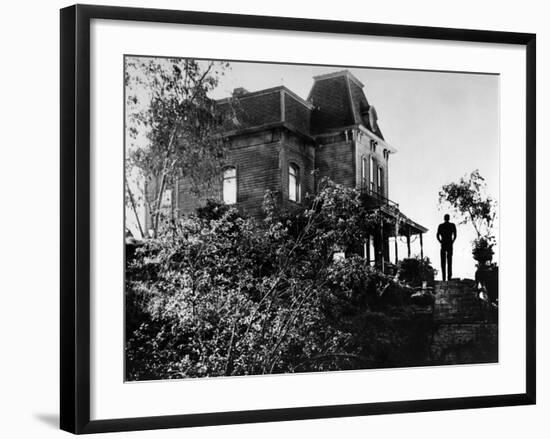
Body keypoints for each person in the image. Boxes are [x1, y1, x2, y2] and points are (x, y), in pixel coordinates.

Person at [437, 214, 457, 281]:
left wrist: (440, 241)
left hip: (443, 244)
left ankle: (444, 278)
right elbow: (455, 235)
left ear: (444, 218)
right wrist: (452, 241)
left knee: (443, 262)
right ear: (449, 218)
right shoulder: (452, 225)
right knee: (449, 261)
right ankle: (449, 277)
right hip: (449, 244)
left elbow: (437, 235)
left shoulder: (441, 226)